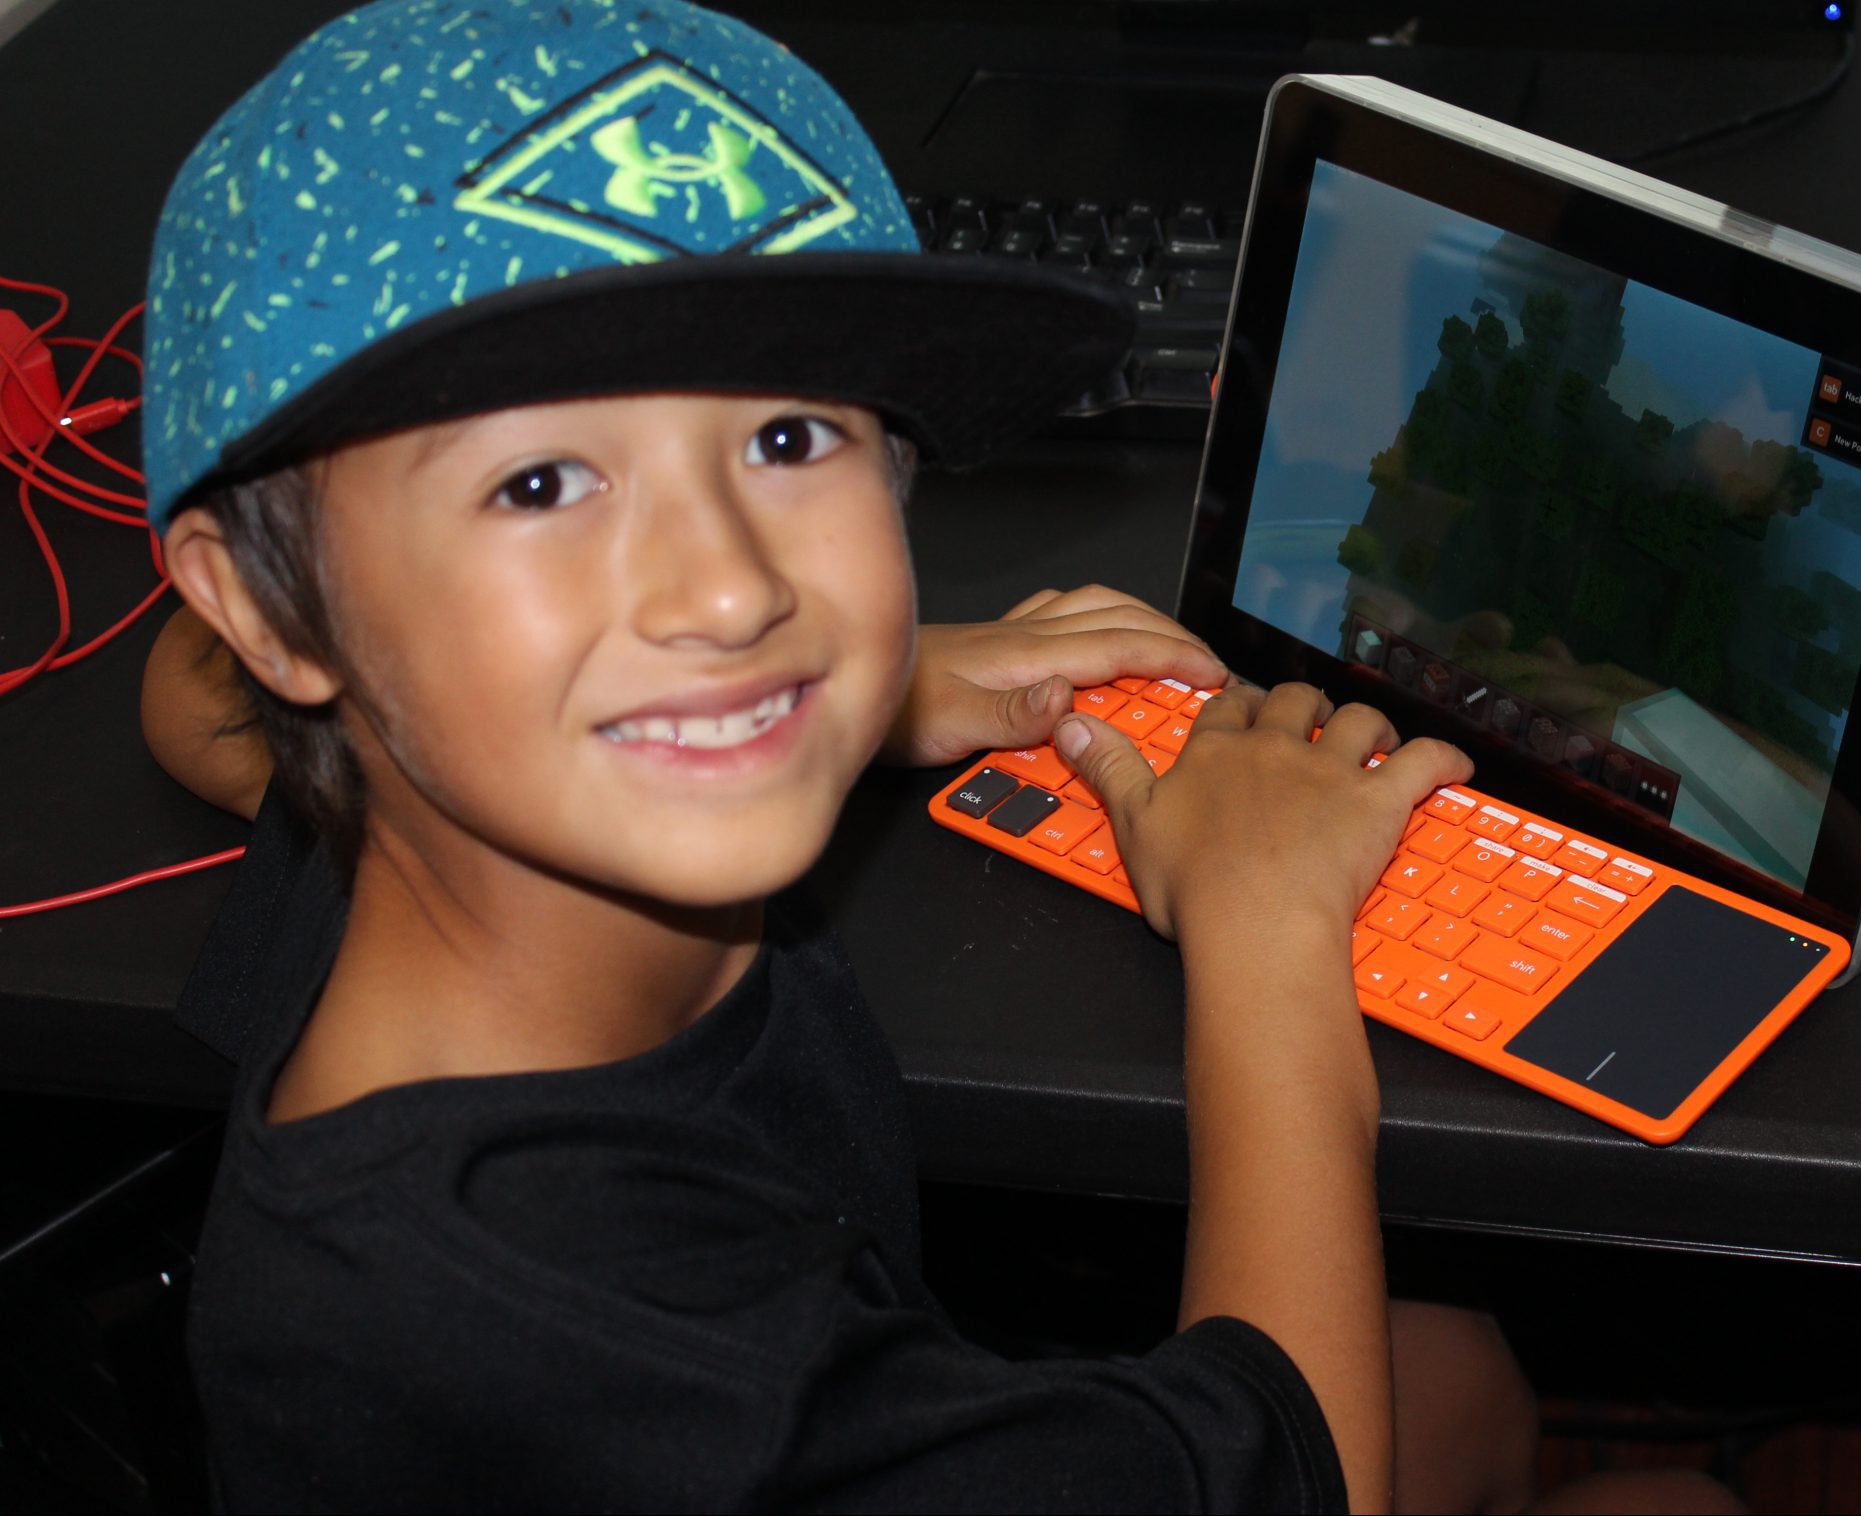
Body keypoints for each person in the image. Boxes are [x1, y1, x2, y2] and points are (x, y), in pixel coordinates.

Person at [138, 1, 1739, 1510]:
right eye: (543, 484)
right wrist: (1265, 931)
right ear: (273, 610)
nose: (731, 588)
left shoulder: (398, 807)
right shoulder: (577, 1348)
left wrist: (874, 689)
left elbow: (191, 700)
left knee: (1459, 1371)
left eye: (787, 440)